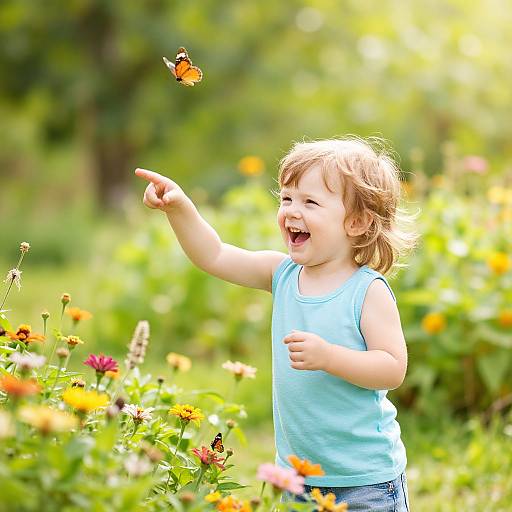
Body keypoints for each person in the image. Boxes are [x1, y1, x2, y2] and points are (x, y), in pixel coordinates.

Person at [135, 136, 419, 511]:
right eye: (286, 198)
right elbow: (215, 255)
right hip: (298, 478)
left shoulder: (366, 291)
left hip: (364, 480)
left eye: (310, 202)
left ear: (357, 222)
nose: (291, 211)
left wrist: (329, 356)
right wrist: (180, 208)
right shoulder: (281, 273)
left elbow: (392, 367)